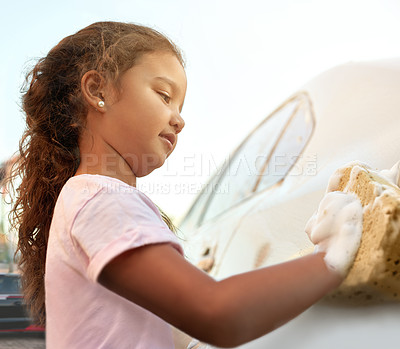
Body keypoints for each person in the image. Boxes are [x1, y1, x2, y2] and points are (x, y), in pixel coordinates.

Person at [7, 21, 361, 348]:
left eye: (180, 105)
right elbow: (217, 314)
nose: (180, 120)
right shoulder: (101, 199)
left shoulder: (88, 198)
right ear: (98, 89)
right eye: (164, 95)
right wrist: (332, 258)